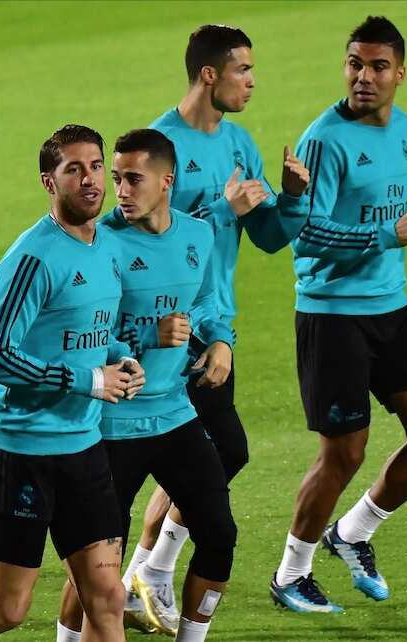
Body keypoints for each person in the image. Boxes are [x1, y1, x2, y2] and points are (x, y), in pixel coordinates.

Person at [269, 16, 407, 613]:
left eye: (378, 66)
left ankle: (351, 533)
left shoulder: (402, 126)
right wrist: (389, 235)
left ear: (400, 73)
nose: (364, 77)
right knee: (344, 453)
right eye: (355, 64)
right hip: (333, 316)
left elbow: (385, 213)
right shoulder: (324, 140)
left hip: (391, 307)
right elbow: (305, 236)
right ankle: (291, 573)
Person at [126, 24, 311, 629]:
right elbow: (144, 232)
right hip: (167, 328)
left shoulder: (239, 143)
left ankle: (141, 575)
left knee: (213, 454)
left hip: (214, 323)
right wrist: (220, 208)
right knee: (215, 452)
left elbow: (269, 236)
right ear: (210, 74)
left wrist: (292, 199)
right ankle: (146, 572)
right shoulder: (160, 145)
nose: (252, 82)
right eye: (243, 70)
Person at [0, 125, 144, 642]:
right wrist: (89, 380)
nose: (90, 180)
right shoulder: (32, 258)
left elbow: (89, 333)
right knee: (4, 610)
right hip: (23, 455)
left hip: (85, 449)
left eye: (96, 167)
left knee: (107, 598)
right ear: (48, 182)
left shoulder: (107, 245)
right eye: (74, 169)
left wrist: (121, 359)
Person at [54, 129, 236, 642]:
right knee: (97, 562)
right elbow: (83, 331)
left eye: (133, 179)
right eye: (116, 178)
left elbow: (206, 301)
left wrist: (220, 340)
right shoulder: (100, 241)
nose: (120, 191)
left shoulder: (198, 235)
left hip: (174, 414)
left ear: (166, 181)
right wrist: (145, 335)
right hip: (112, 423)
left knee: (219, 535)